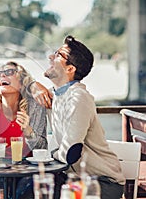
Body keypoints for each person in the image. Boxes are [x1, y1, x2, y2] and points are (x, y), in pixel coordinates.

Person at [44, 35, 125, 199]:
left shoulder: (78, 98)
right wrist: (32, 86)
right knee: (27, 188)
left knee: (39, 192)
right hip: (74, 179)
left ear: (70, 69)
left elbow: (71, 153)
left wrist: (52, 154)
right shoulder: (57, 95)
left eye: (59, 54)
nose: (50, 57)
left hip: (101, 183)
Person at [0, 61, 48, 199]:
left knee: (23, 192)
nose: (2, 76)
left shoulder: (34, 106)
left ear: (22, 83)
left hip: (28, 169)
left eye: (9, 72)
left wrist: (28, 131)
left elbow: (43, 147)